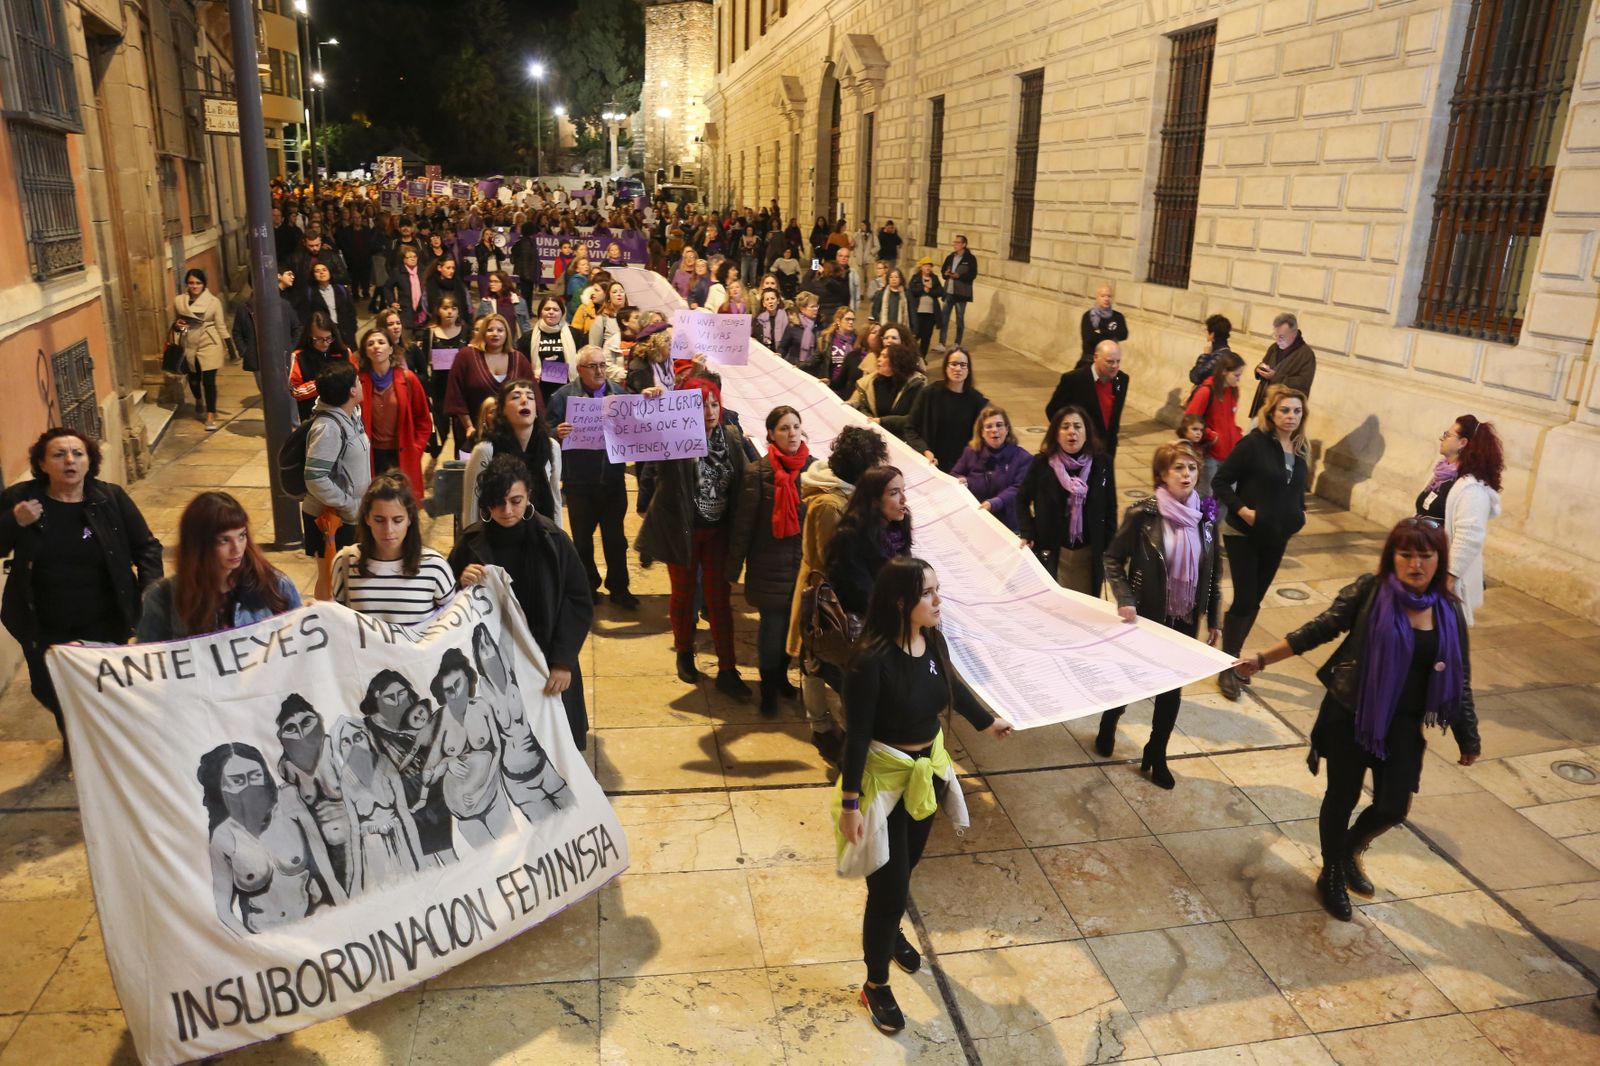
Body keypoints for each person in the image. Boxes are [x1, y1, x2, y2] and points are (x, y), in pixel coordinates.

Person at [1234, 518, 1480, 921]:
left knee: (1392, 807)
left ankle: (1348, 849)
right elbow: (1319, 629)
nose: (1415, 564)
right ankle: (1331, 872)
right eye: (1406, 554)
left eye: (1425, 555)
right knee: (1342, 797)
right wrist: (1262, 659)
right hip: (1352, 714)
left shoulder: (1449, 611)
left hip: (1402, 724)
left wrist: (1468, 735)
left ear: (1440, 559)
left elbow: (1460, 676)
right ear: (1392, 557)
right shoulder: (1372, 591)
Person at [837, 557, 1014, 1034]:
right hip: (884, 784)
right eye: (929, 593)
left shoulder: (931, 638)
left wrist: (987, 720)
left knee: (907, 867)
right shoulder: (869, 660)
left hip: (927, 773)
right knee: (888, 887)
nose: (939, 600)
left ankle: (891, 929)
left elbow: (950, 681)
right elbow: (855, 736)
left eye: (938, 589)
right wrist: (849, 803)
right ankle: (875, 983)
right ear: (900, 602)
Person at [0, 429, 163, 741]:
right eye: (59, 455)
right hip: (44, 624)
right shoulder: (20, 499)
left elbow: (147, 548)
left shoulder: (110, 498)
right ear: (42, 464)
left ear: (90, 461)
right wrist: (12, 521)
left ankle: (103, 748)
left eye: (78, 454)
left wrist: (149, 594)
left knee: (110, 690)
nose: (69, 461)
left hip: (105, 619)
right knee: (50, 690)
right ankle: (75, 738)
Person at [1096, 441, 1223, 780]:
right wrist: (1125, 598)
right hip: (1146, 615)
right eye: (1178, 468)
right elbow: (1112, 558)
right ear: (1162, 474)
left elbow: (1213, 574)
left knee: (1172, 688)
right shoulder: (1143, 514)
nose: (1186, 474)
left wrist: (1214, 618)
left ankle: (1157, 751)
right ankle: (1110, 721)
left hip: (1183, 618)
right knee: (1129, 677)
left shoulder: (1206, 517)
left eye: (1192, 468)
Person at [451, 454, 595, 748]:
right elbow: (442, 603)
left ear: (529, 495)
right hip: (491, 668)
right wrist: (458, 581)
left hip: (545, 663)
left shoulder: (553, 540)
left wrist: (563, 661)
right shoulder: (470, 542)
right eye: (498, 502)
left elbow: (578, 600)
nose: (507, 510)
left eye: (515, 501)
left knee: (555, 749)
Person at [636, 376, 751, 699]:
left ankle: (728, 668)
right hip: (684, 530)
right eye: (701, 405)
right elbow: (647, 447)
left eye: (714, 403)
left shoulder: (730, 436)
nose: (710, 411)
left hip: (718, 533)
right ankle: (684, 651)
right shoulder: (675, 437)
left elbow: (751, 471)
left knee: (719, 600)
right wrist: (653, 407)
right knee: (684, 596)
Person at [789, 426, 888, 760]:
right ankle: (821, 727)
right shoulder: (831, 505)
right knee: (816, 663)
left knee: (821, 663)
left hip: (834, 594)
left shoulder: (846, 494)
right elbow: (830, 560)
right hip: (825, 600)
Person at [1214, 386, 1310, 700]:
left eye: (1296, 411)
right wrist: (1244, 511)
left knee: (1254, 601)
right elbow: (1221, 481)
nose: (1291, 416)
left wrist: (1299, 515)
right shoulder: (1253, 444)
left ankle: (1237, 659)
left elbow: (1296, 491)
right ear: (1271, 412)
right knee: (1244, 599)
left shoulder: (1299, 449)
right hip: (1243, 533)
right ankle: (1226, 665)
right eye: (1285, 410)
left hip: (1276, 536)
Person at [197, 741, 347, 934]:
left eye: (255, 776)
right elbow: (223, 910)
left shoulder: (289, 800)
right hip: (268, 935)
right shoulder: (222, 836)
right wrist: (254, 945)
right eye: (237, 780)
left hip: (317, 921)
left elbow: (326, 871)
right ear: (221, 787)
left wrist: (347, 912)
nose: (249, 785)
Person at [727, 406, 814, 715]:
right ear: (771, 435)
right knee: (773, 629)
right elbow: (743, 524)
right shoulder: (758, 473)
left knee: (795, 632)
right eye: (784, 428)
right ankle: (767, 688)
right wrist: (733, 567)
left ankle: (780, 677)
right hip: (768, 566)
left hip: (804, 568)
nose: (791, 433)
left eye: (795, 427)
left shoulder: (813, 471)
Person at [138, 491, 301, 641]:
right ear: (199, 545)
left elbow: (301, 647)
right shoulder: (163, 596)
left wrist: (313, 616)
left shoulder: (276, 586)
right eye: (224, 540)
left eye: (242, 536)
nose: (237, 549)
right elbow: (148, 660)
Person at [547, 349, 635, 608]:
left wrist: (651, 396)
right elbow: (545, 430)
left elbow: (640, 422)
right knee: (582, 541)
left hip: (612, 480)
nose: (599, 371)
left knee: (616, 540)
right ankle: (587, 587)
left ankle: (620, 588)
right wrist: (556, 431)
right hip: (579, 483)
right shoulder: (563, 397)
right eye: (592, 366)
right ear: (580, 369)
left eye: (602, 365)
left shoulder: (619, 394)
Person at [1017, 405, 1116, 597]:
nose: (1072, 432)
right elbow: (1021, 499)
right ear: (1056, 433)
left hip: (1089, 552)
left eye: (1078, 426)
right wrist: (1028, 532)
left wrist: (1110, 548)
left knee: (1086, 605)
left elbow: (1110, 507)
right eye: (1065, 427)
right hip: (1053, 550)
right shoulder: (1042, 463)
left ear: (1087, 431)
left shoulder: (1102, 463)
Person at [331, 474, 455, 625]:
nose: (389, 530)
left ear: (409, 519)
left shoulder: (435, 566)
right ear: (367, 519)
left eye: (397, 520)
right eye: (379, 520)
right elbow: (335, 623)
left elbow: (453, 625)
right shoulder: (345, 562)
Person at [1416, 415, 1504, 625]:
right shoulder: (1441, 475)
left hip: (1439, 570)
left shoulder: (1471, 489)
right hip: (1422, 560)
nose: (1442, 439)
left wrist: (1448, 578)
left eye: (1447, 435)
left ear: (1463, 443)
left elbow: (1469, 536)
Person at [462, 378, 563, 530]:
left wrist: (558, 539)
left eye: (530, 397)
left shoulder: (551, 447)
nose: (524, 400)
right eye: (516, 397)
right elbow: (472, 506)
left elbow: (555, 499)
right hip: (497, 537)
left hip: (540, 534)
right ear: (502, 410)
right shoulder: (486, 450)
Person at [300, 362, 372, 561]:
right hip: (332, 518)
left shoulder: (352, 415)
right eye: (358, 381)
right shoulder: (328, 428)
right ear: (351, 391)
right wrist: (348, 504)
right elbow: (315, 477)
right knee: (331, 582)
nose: (361, 384)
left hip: (350, 516)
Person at [824, 466, 912, 622]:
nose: (904, 499)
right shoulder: (850, 537)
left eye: (903, 490)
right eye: (894, 493)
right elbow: (862, 596)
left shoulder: (898, 532)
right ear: (874, 500)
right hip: (869, 628)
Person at [444, 313, 538, 456]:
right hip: (474, 434)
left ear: (507, 333)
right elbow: (456, 396)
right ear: (482, 332)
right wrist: (469, 427)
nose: (495, 334)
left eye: (500, 330)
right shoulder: (465, 356)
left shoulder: (519, 359)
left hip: (512, 436)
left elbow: (534, 396)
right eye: (490, 330)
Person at [355, 327, 431, 494]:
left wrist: (416, 448)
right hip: (371, 455)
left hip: (402, 453)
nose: (376, 346)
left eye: (381, 342)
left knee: (403, 506)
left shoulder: (408, 378)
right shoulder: (358, 382)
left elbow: (423, 420)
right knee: (374, 504)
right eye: (370, 343)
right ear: (365, 351)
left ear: (391, 349)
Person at [903, 347, 986, 471]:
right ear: (946, 367)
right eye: (954, 364)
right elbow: (910, 428)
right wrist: (925, 451)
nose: (958, 369)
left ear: (968, 370)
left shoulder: (977, 400)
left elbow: (981, 438)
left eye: (963, 365)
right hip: (930, 463)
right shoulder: (929, 393)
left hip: (962, 467)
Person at [951, 406, 1031, 531]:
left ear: (1007, 429)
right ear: (981, 432)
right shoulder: (970, 452)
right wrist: (961, 479)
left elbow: (1019, 489)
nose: (994, 430)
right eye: (988, 426)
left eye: (999, 425)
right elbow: (954, 474)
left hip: (1008, 524)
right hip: (975, 520)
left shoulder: (1023, 458)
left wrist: (994, 503)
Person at [1046, 340, 1128, 457]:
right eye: (1109, 362)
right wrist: (1070, 434)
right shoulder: (1074, 379)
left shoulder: (1123, 380)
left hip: (1107, 451)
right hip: (1081, 449)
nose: (1115, 366)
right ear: (1096, 357)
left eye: (1118, 361)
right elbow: (1052, 410)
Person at [1184, 350, 1246, 506]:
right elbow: (1189, 421)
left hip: (1228, 454)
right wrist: (1211, 436)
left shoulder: (1232, 391)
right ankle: (1201, 528)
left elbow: (1229, 421)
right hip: (1210, 454)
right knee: (1207, 496)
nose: (1239, 379)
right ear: (1224, 371)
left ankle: (1214, 529)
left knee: (1228, 498)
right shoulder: (1206, 391)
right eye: (1236, 375)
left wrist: (1238, 437)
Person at [172, 268, 228, 431]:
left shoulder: (213, 302)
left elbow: (220, 325)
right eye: (191, 283)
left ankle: (211, 414)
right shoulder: (179, 301)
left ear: (204, 284)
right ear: (186, 284)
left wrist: (230, 346)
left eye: (198, 283)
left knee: (209, 381)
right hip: (189, 343)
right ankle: (198, 399)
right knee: (194, 379)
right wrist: (180, 327)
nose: (194, 286)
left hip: (209, 343)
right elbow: (178, 323)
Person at [288, 311, 353, 421]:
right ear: (309, 336)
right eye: (319, 339)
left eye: (328, 338)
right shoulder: (299, 356)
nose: (325, 343)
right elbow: (294, 391)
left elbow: (356, 381)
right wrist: (323, 383)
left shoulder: (344, 352)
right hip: (313, 418)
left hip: (345, 416)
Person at [1249, 312, 1317, 417]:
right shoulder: (1274, 347)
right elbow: (1264, 364)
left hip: (1285, 413)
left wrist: (1275, 377)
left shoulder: (1306, 354)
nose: (1277, 340)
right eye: (1275, 335)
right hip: (1264, 407)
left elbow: (1303, 384)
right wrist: (1259, 370)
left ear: (1294, 334)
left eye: (1281, 336)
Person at [849, 343, 927, 429]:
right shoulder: (871, 382)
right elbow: (865, 408)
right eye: (880, 356)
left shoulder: (915, 384)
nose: (879, 359)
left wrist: (882, 421)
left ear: (897, 361)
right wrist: (867, 416)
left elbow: (915, 418)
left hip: (903, 437)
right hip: (876, 433)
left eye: (884, 356)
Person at [936, 235, 977, 351]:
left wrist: (959, 276)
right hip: (949, 291)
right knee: (944, 318)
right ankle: (941, 343)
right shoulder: (950, 257)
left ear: (964, 244)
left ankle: (957, 343)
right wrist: (946, 273)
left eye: (957, 242)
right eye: (954, 242)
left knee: (959, 318)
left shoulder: (970, 259)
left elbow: (973, 275)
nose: (955, 244)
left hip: (961, 293)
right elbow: (943, 271)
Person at [813, 307, 864, 399]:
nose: (851, 322)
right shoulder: (827, 339)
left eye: (853, 319)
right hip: (831, 387)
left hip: (850, 389)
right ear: (838, 321)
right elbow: (814, 361)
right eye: (848, 319)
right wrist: (798, 366)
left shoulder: (858, 340)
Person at [300, 261, 357, 343]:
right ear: (313, 275)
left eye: (324, 270)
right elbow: (306, 315)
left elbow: (351, 311)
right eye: (317, 271)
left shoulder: (342, 289)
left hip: (345, 331)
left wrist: (353, 329)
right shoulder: (310, 293)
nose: (321, 273)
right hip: (324, 334)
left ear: (330, 272)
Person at [1078, 283, 1129, 369]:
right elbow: (1090, 338)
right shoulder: (1089, 316)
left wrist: (1101, 332)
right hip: (1090, 360)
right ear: (1097, 298)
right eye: (1103, 296)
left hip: (1110, 362)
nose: (1106, 299)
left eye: (1109, 296)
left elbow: (1124, 334)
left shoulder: (1118, 316)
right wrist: (1112, 335)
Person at [476, 270, 532, 339]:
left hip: (514, 342)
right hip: (494, 341)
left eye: (495, 281)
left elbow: (525, 324)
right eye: (490, 281)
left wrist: (528, 341)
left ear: (504, 283)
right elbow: (479, 323)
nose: (491, 284)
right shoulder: (486, 302)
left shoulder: (519, 302)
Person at [907, 258, 944, 357]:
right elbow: (911, 291)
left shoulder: (935, 278)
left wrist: (930, 290)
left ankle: (922, 358)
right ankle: (911, 355)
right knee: (916, 335)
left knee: (927, 337)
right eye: (925, 265)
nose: (928, 268)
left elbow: (941, 291)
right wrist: (923, 289)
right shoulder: (915, 278)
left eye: (929, 266)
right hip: (918, 312)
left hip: (931, 313)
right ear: (921, 267)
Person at [778, 291, 821, 367]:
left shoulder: (820, 325)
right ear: (802, 309)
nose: (816, 309)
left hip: (813, 369)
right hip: (794, 366)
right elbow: (783, 347)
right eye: (812, 306)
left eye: (816, 306)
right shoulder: (793, 326)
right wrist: (779, 354)